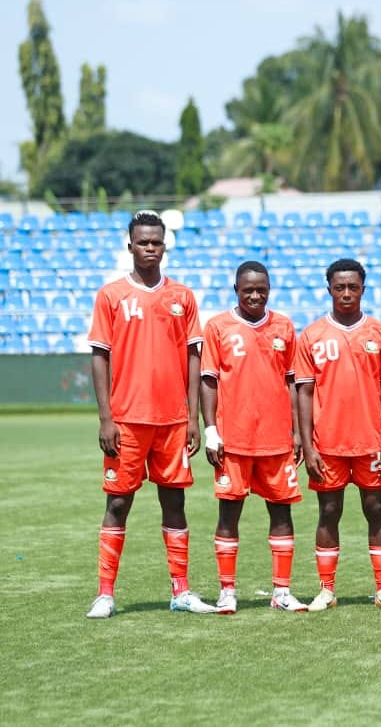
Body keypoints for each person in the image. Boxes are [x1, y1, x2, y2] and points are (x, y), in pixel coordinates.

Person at [85, 210, 217, 618]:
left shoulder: (182, 297)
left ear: (164, 246)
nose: (150, 248)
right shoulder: (111, 295)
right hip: (126, 419)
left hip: (173, 420)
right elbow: (99, 357)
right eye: (142, 242)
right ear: (130, 245)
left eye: (156, 242)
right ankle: (106, 593)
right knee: (118, 503)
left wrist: (193, 416)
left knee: (174, 502)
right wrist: (106, 417)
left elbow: (194, 358)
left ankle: (181, 590)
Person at [294, 259, 381, 612]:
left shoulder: (380, 333)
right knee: (328, 511)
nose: (346, 293)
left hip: (371, 441)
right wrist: (308, 444)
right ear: (329, 288)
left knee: (376, 509)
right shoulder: (311, 335)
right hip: (328, 443)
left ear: (363, 289)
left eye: (352, 287)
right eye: (339, 287)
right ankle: (326, 590)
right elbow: (305, 393)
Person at [201, 261, 307, 613]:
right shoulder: (217, 327)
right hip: (233, 439)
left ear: (269, 288)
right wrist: (211, 430)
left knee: (281, 513)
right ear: (236, 290)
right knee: (229, 512)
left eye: (262, 289)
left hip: (276, 439)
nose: (255, 295)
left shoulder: (284, 326)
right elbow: (209, 381)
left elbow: (292, 381)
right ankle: (227, 591)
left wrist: (294, 431)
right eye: (248, 290)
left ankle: (281, 592)